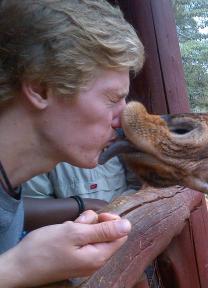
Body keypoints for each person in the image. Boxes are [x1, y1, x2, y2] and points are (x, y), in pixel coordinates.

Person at [0, 0, 145, 286]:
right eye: (114, 99)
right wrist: (17, 268)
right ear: (41, 87)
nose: (123, 120)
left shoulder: (9, 188)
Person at [23, 156, 141, 231]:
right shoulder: (37, 157)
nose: (115, 122)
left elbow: (137, 186)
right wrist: (84, 205)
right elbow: (26, 214)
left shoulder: (120, 140)